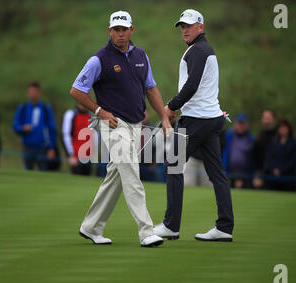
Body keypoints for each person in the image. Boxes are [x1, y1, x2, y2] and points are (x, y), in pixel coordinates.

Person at [69, 10, 171, 247]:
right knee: (131, 172)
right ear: (110, 31)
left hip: (136, 125)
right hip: (112, 124)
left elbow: (151, 89)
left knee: (117, 175)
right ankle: (146, 231)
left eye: (124, 29)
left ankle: (91, 227)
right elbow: (76, 91)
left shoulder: (141, 56)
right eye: (116, 30)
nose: (120, 34)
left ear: (131, 30)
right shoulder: (99, 59)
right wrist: (99, 112)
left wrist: (164, 118)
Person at [154, 9, 234, 242]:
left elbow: (191, 86)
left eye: (189, 25)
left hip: (197, 120)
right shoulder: (203, 49)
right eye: (182, 26)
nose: (185, 30)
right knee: (216, 172)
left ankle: (171, 225)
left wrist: (170, 107)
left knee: (173, 164)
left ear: (201, 26)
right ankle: (224, 227)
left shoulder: (198, 50)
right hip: (212, 119)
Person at [13, 81, 58, 171]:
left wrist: (52, 147)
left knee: (43, 172)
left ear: (39, 92)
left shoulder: (45, 108)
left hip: (42, 147)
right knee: (27, 172)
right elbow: (15, 125)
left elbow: (52, 128)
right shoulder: (23, 108)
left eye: (35, 91)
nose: (33, 94)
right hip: (28, 146)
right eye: (31, 91)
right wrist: (22, 128)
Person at [263, 119, 296, 191]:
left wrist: (281, 170)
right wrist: (274, 169)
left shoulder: (294, 143)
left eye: (285, 128)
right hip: (273, 177)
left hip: (288, 178)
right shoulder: (273, 142)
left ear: (289, 129)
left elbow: (293, 160)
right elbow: (269, 157)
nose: (283, 130)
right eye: (281, 128)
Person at [222, 113, 254, 189]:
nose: (241, 126)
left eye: (243, 124)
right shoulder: (228, 136)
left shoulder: (250, 139)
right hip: (228, 173)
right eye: (239, 123)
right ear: (235, 124)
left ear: (247, 125)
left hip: (245, 175)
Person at [62, 103, 93, 175]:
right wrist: (71, 154)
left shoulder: (91, 116)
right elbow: (66, 135)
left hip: (88, 157)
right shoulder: (71, 114)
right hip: (75, 155)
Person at [252, 109, 277, 189]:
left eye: (268, 118)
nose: (266, 120)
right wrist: (257, 174)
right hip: (261, 175)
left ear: (273, 119)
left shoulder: (279, 137)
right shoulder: (259, 137)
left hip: (276, 174)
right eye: (265, 118)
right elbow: (254, 157)